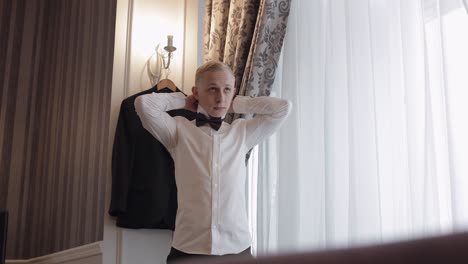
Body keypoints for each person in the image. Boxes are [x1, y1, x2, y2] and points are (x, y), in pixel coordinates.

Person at [135, 60, 292, 263]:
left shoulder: (243, 132)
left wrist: (239, 103)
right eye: (212, 89)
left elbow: (283, 108)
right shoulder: (177, 131)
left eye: (227, 90)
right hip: (189, 248)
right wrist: (183, 101)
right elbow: (143, 105)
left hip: (237, 248)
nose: (220, 98)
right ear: (196, 92)